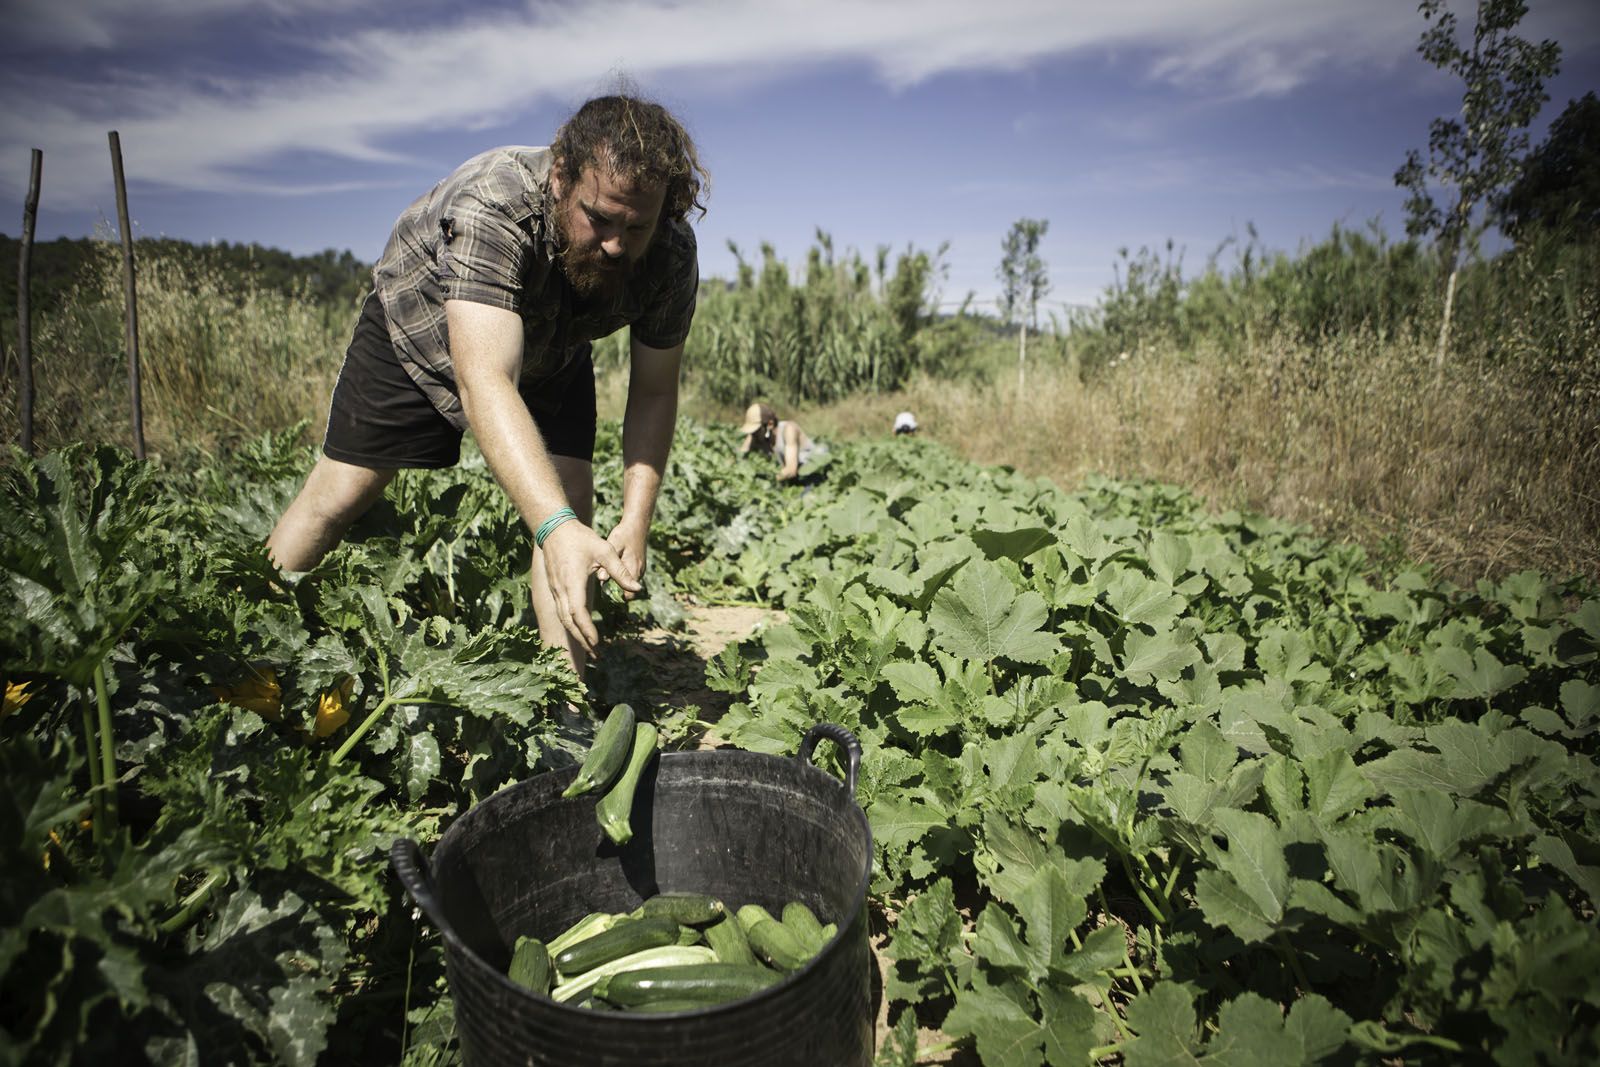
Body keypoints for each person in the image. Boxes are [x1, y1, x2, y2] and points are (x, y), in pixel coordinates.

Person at [265, 93, 707, 681]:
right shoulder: (492, 206)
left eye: (637, 226)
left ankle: (566, 693)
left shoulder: (670, 253)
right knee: (345, 489)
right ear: (559, 178)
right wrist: (552, 528)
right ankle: (246, 639)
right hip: (422, 322)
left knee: (572, 496)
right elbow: (486, 379)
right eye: (598, 218)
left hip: (555, 339)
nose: (616, 245)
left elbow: (655, 390)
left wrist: (636, 516)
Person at [738, 402, 821, 482]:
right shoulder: (759, 435)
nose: (753, 434)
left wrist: (767, 482)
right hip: (792, 479)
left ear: (770, 424)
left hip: (813, 474)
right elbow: (741, 456)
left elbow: (791, 470)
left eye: (756, 430)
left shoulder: (789, 430)